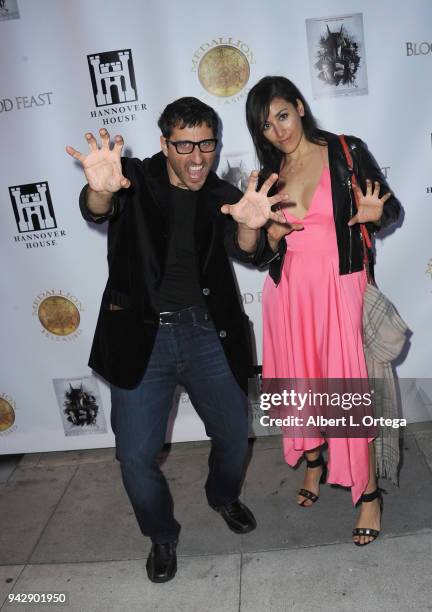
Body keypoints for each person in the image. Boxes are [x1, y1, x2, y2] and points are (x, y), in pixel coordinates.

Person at [65, 97, 287, 582]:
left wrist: (252, 227)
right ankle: (161, 535)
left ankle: (224, 497)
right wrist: (98, 191)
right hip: (142, 338)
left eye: (206, 144)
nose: (196, 157)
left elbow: (246, 252)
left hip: (208, 333)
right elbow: (98, 206)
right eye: (184, 144)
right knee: (135, 457)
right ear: (165, 144)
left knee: (234, 435)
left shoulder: (221, 194)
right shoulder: (132, 179)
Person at [245, 76, 401, 546]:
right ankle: (313, 464)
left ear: (299, 106)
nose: (277, 130)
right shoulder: (270, 172)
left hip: (340, 288)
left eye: (282, 115)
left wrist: (379, 214)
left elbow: (389, 210)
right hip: (288, 293)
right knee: (302, 386)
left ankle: (369, 493)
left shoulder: (345, 151)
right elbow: (254, 253)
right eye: (266, 125)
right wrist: (268, 237)